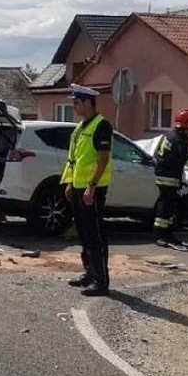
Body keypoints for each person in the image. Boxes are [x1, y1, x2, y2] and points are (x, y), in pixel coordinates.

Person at [61, 84, 113, 296]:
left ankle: (101, 282)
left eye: (76, 102)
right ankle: (90, 273)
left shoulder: (102, 125)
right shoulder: (81, 126)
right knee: (83, 233)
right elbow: (75, 159)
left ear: (88, 102)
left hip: (93, 188)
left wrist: (91, 187)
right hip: (79, 187)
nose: (74, 106)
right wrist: (70, 183)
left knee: (95, 235)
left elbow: (102, 158)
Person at [152, 109, 188, 247]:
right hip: (169, 177)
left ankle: (166, 234)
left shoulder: (170, 135)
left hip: (164, 176)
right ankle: (162, 235)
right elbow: (184, 158)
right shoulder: (180, 139)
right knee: (166, 207)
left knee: (167, 206)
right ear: (186, 124)